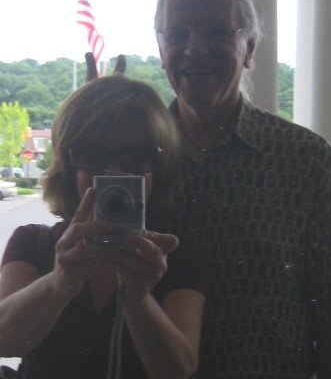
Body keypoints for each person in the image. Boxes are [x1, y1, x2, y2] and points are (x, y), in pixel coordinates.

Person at [154, 0, 331, 378]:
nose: (194, 48)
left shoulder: (308, 163)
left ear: (249, 48)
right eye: (178, 34)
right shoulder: (134, 158)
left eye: (216, 32)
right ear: (161, 48)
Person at [0, 73, 206, 379]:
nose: (114, 171)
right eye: (93, 154)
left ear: (159, 168)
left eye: (136, 156)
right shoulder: (34, 242)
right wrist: (59, 282)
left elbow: (177, 370)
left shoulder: (176, 254)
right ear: (69, 166)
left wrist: (138, 297)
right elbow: (6, 341)